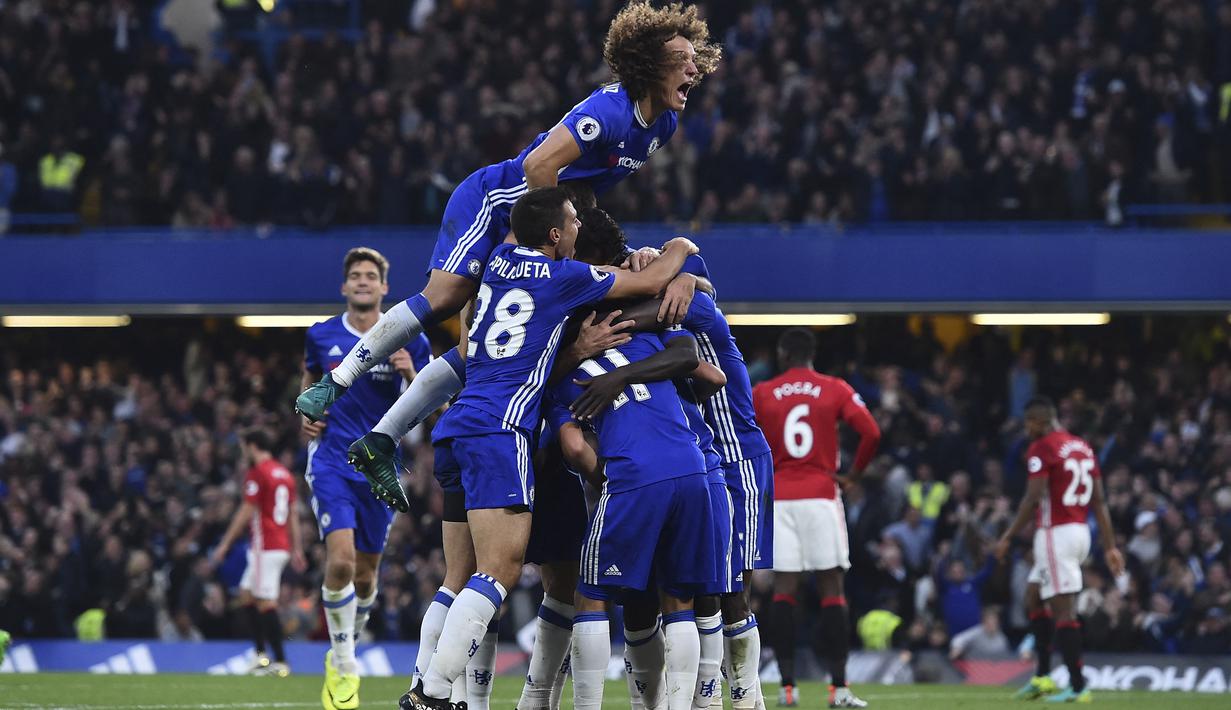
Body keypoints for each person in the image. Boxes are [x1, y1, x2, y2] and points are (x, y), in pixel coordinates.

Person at [295, 1, 721, 457]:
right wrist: (556, 251)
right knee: (444, 299)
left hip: (542, 222)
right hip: (496, 201)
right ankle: (333, 383)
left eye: (694, 57)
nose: (694, 67)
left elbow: (585, 184)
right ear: (649, 64)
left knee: (472, 348)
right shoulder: (611, 110)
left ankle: (381, 439)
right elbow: (538, 166)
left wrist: (589, 235)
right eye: (682, 59)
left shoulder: (664, 125)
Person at [399, 186, 698, 710]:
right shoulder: (567, 278)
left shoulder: (494, 260)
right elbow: (652, 280)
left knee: (457, 577)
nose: (579, 227)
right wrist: (681, 249)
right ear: (556, 235)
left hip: (459, 420)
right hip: (502, 428)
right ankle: (432, 693)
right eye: (573, 220)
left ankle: (433, 685)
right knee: (499, 572)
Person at [550, 327, 723, 710]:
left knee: (590, 594)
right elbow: (714, 377)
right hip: (693, 470)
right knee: (680, 599)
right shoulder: (647, 342)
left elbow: (576, 447)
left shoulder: (563, 378)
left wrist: (611, 479)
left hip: (636, 474)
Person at [301, 247, 432, 710]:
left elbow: (431, 405)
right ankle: (344, 662)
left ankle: (344, 651)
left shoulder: (409, 337)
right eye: (354, 275)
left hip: (381, 469)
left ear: (383, 287)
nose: (361, 281)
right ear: (344, 286)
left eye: (369, 275)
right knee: (339, 560)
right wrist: (308, 419)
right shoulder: (320, 335)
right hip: (333, 461)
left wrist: (412, 373)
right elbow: (309, 388)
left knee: (365, 574)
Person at [752, 328, 881, 709]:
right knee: (832, 590)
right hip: (822, 496)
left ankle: (787, 688)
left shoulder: (764, 392)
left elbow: (745, 436)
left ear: (783, 354)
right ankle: (838, 690)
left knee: (783, 591)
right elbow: (871, 432)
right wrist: (854, 474)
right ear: (811, 354)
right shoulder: (835, 388)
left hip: (781, 498)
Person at [995, 396, 1124, 703]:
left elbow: (1032, 497)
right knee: (1034, 596)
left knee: (1063, 609)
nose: (1026, 429)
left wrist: (1008, 536)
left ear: (1041, 420)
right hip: (1080, 532)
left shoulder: (1042, 447)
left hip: (1056, 534)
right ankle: (1042, 677)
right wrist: (1109, 546)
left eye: (1029, 422)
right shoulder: (1082, 447)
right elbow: (1100, 501)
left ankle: (1078, 686)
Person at [210, 429, 306, 677]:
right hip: (279, 545)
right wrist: (296, 548)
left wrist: (225, 544)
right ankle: (261, 655)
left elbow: (246, 510)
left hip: (266, 546)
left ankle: (281, 662)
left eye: (243, 446)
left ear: (252, 445)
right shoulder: (284, 474)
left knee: (265, 601)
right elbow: (293, 513)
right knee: (246, 594)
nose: (243, 452)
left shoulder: (258, 473)